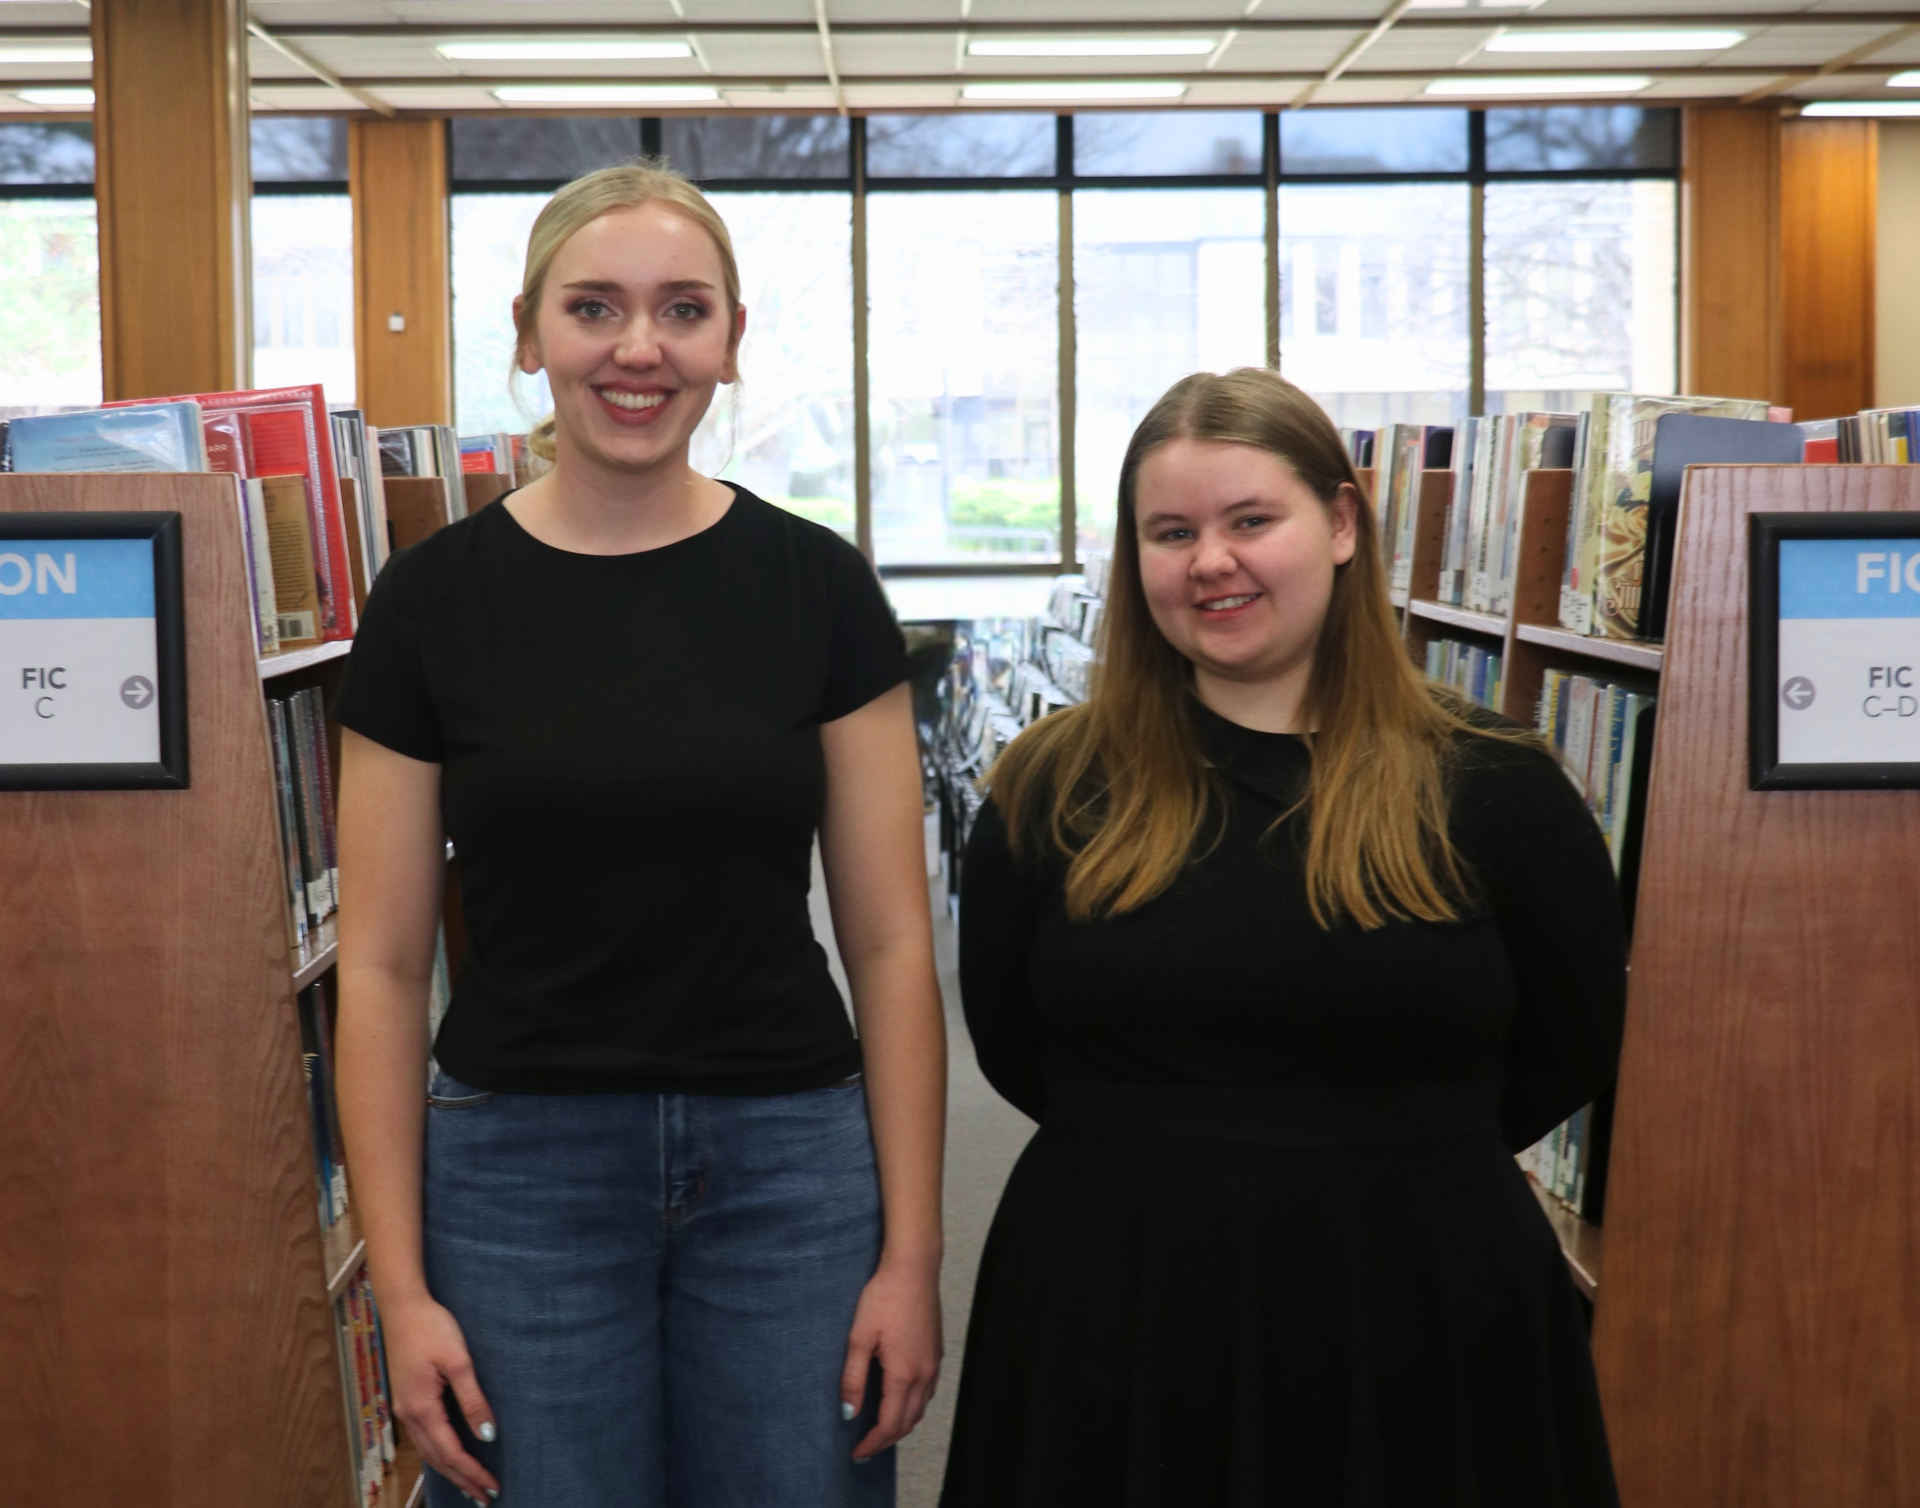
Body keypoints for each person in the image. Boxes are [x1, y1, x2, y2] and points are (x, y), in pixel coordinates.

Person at [331, 163, 945, 1508]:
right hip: (516, 1175)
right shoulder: (430, 604)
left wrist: (910, 1257)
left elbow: (895, 941)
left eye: (682, 310)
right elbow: (375, 968)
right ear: (529, 332)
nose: (638, 348)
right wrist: (400, 1281)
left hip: (789, 1163)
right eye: (595, 307)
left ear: (729, 339)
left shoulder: (819, 586)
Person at [941, 368, 1627, 1507]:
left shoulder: (1494, 780)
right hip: (1121, 1288)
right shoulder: (1051, 785)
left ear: (1343, 523)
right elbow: (1013, 1044)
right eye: (1172, 531)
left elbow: (1574, 1038)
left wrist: (1369, 1151)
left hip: (1423, 1290)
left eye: (1251, 519)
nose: (1211, 560)